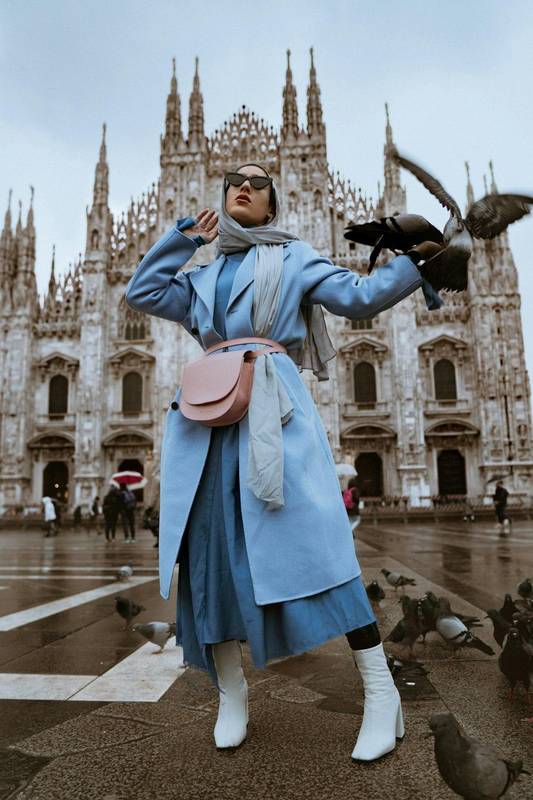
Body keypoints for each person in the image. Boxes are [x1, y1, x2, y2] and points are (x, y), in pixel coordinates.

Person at [125, 162, 448, 761]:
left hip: (273, 411)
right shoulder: (200, 275)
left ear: (273, 204)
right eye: (233, 181)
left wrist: (419, 261)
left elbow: (359, 299)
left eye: (258, 182)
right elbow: (142, 292)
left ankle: (382, 693)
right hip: (209, 420)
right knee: (208, 558)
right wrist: (182, 239)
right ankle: (231, 693)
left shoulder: (294, 256)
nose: (243, 186)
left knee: (320, 547)